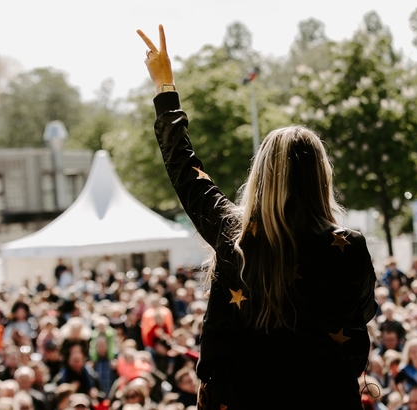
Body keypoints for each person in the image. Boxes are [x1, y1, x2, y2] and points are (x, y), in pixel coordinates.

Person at [137, 25, 377, 410]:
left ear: (261, 175)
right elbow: (363, 312)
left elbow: (184, 169)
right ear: (321, 176)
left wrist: (165, 88)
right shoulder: (348, 247)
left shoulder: (234, 233)